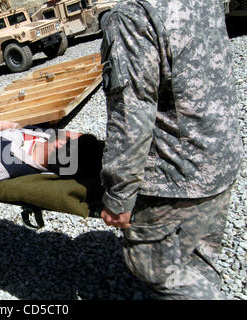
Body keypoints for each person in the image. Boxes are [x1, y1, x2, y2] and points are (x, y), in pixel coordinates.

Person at [97, 0, 243, 299]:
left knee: (162, 271)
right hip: (218, 156)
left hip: (175, 180)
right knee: (198, 262)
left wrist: (119, 196)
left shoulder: (132, 16)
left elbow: (130, 118)